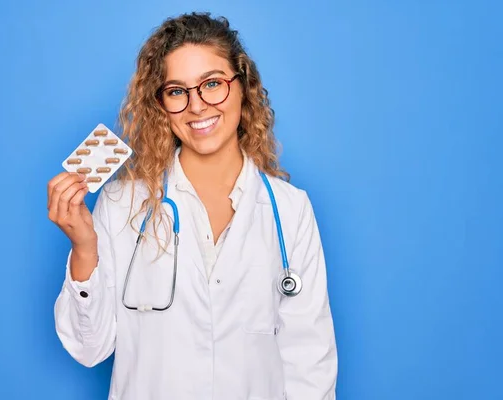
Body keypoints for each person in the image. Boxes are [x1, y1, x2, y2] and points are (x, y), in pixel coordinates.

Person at [47, 12, 338, 400]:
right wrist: (84, 249)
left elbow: (310, 363)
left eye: (212, 84)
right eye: (177, 91)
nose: (197, 106)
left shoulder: (290, 210)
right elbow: (89, 349)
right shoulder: (120, 204)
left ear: (243, 86)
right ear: (161, 104)